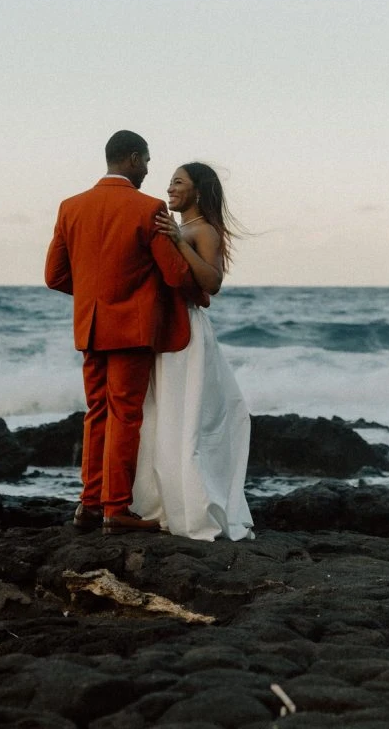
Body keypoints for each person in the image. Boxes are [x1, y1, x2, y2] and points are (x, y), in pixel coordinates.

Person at [44, 130, 195, 535]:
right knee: (125, 417)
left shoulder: (70, 207)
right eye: (146, 161)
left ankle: (88, 505)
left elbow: (54, 275)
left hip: (91, 328)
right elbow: (175, 274)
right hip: (131, 330)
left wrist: (97, 293)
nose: (148, 170)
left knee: (96, 414)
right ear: (131, 158)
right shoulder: (148, 209)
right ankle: (116, 509)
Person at [132, 162, 254, 541]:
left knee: (189, 417)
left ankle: (195, 504)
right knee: (163, 414)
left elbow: (212, 283)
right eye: (169, 181)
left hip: (187, 331)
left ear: (198, 191)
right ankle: (162, 503)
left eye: (178, 182)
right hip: (163, 329)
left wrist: (178, 243)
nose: (170, 187)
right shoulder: (177, 227)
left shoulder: (203, 231)